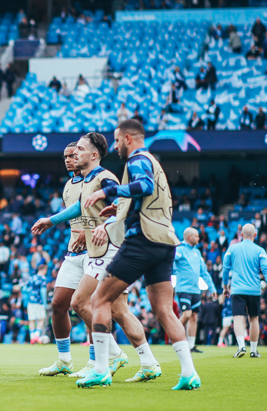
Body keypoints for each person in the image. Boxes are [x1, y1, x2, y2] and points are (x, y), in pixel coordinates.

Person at [80, 119, 200, 390]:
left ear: (128, 138)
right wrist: (120, 209)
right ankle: (189, 373)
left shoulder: (137, 160)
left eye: (117, 140)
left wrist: (107, 191)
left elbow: (144, 185)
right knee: (163, 310)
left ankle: (100, 369)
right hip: (166, 241)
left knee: (99, 300)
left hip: (143, 241)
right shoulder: (154, 162)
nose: (115, 145)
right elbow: (149, 196)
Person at [34, 133, 149, 380]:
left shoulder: (104, 177)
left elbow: (122, 204)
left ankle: (104, 360)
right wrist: (52, 221)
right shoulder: (80, 182)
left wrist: (101, 227)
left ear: (92, 154)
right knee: (100, 309)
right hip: (85, 251)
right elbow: (81, 208)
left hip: (106, 249)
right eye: (68, 155)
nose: (72, 157)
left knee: (85, 304)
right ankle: (147, 363)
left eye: (77, 151)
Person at [32, 143, 87, 376]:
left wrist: (52, 220)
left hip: (95, 252)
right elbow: (74, 212)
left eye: (73, 155)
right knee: (57, 305)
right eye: (65, 156)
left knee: (91, 307)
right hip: (73, 253)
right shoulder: (67, 185)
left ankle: (99, 361)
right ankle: (64, 360)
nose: (68, 160)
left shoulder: (95, 179)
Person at [222, 223, 267, 359]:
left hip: (237, 289)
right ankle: (253, 350)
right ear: (255, 235)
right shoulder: (260, 250)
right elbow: (266, 270)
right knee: (254, 319)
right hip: (254, 290)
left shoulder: (232, 248)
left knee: (238, 319)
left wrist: (225, 286)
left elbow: (225, 268)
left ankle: (241, 346)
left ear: (241, 234)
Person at [174, 228, 216, 353]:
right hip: (183, 288)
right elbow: (170, 261)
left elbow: (204, 272)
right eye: (196, 236)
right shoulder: (179, 250)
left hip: (195, 290)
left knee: (193, 316)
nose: (199, 239)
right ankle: (175, 337)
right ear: (189, 237)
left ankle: (191, 346)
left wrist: (211, 287)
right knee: (186, 314)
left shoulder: (197, 253)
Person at [25, 265, 50, 344]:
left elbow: (25, 289)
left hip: (30, 301)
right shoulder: (43, 278)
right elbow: (43, 290)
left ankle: (32, 337)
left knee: (31, 320)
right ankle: (37, 335)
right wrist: (45, 303)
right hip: (39, 301)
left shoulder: (31, 278)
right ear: (44, 269)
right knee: (41, 319)